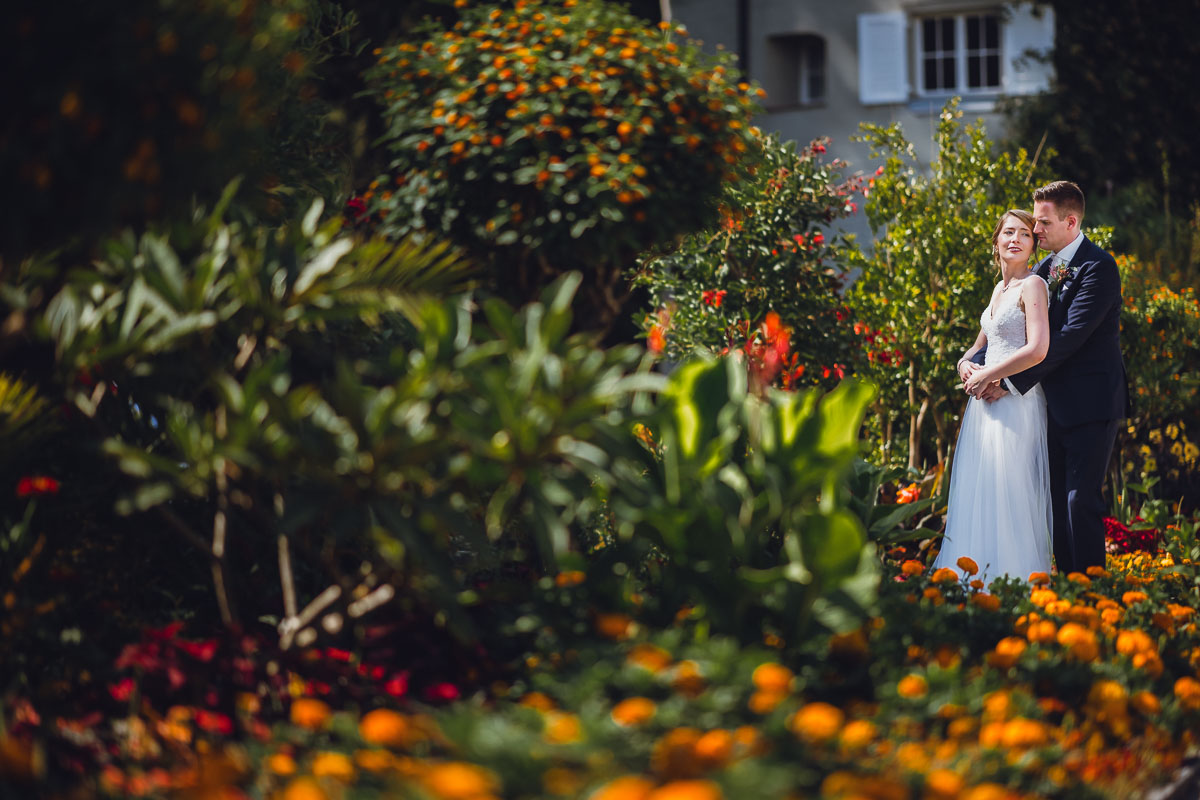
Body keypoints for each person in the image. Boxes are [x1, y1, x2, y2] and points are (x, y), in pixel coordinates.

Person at [967, 181, 1129, 575]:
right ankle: (1069, 584)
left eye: (1041, 223)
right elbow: (1013, 331)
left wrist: (1005, 381)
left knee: (1079, 500)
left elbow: (1069, 338)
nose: (1034, 231)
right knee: (1054, 501)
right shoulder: (1041, 270)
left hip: (1091, 403)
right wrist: (974, 362)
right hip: (1047, 405)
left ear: (1070, 221)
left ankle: (1091, 589)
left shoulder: (1099, 267)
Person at [934, 209, 1052, 583]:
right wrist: (964, 366)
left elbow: (1038, 349)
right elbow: (977, 348)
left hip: (1014, 403)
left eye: (1024, 234)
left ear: (1033, 246)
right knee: (981, 491)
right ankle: (974, 580)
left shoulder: (1033, 286)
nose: (1015, 239)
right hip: (982, 406)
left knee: (1010, 492)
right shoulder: (998, 289)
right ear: (997, 242)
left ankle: (1013, 583)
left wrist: (990, 374)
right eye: (1008, 233)